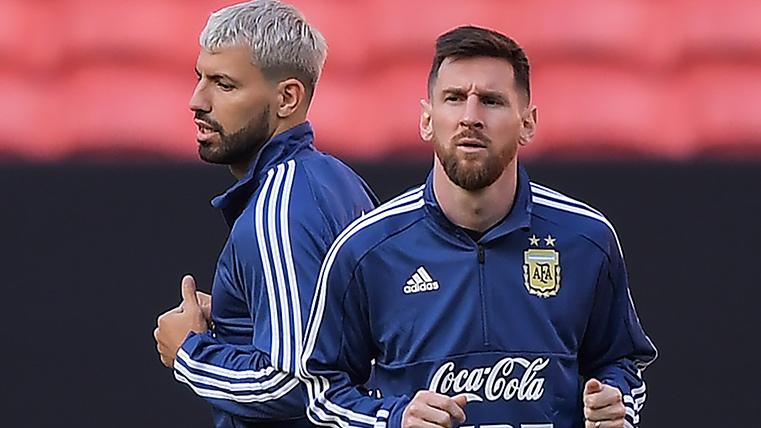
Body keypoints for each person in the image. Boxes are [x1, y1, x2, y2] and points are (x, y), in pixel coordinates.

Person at [300, 25, 657, 428]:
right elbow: (322, 391)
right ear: (427, 119)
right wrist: (393, 419)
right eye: (454, 99)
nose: (471, 117)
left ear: (528, 123)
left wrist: (616, 404)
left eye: (491, 101)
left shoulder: (587, 239)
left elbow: (621, 363)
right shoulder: (366, 250)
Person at [152, 1, 376, 427]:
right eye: (199, 77)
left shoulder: (281, 206)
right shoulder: (337, 181)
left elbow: (298, 386)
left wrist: (189, 352)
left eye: (224, 84)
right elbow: (336, 338)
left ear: (287, 97)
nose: (196, 101)